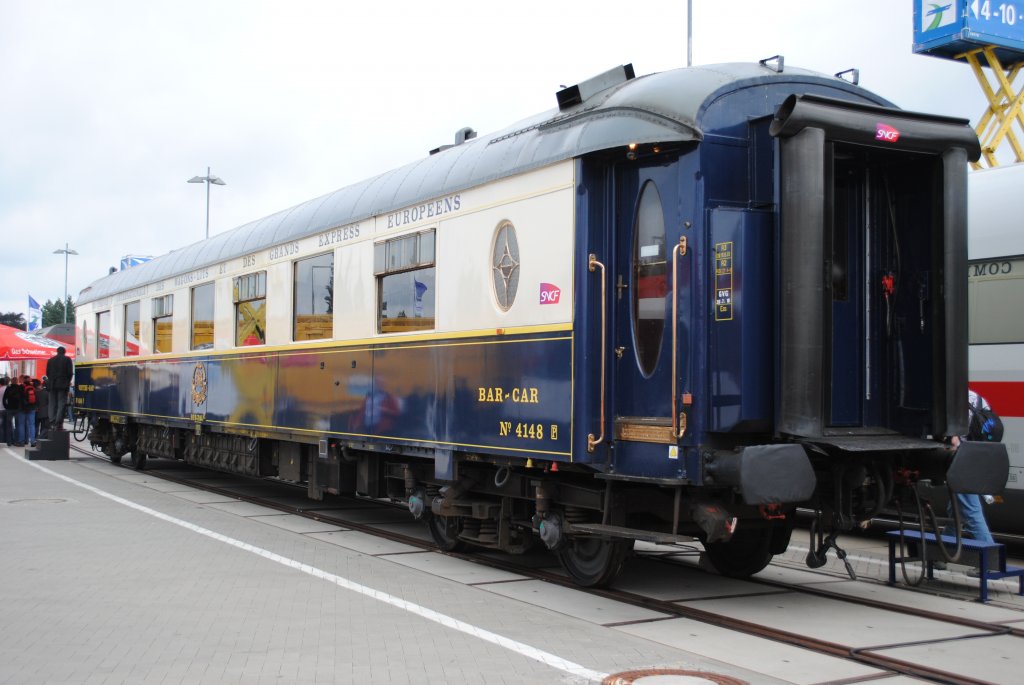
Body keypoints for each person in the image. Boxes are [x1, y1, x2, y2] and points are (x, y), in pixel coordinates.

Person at [937, 389, 996, 576]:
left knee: (970, 511)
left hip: (960, 460)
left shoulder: (951, 400)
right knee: (955, 510)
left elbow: (953, 441)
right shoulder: (978, 398)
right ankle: (940, 555)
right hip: (978, 455)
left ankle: (989, 562)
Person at [46, 346, 73, 431]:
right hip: (62, 385)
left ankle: (52, 422)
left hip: (52, 385)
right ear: (64, 352)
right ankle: (58, 423)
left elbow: (47, 373)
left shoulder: (50, 360)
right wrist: (67, 382)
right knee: (61, 404)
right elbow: (70, 373)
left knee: (52, 404)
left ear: (57, 352)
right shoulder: (67, 359)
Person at [3, 376, 25, 446]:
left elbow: (4, 399)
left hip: (9, 409)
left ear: (11, 381)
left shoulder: (8, 388)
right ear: (17, 381)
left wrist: (6, 406)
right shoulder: (20, 388)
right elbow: (22, 398)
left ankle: (9, 441)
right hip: (18, 409)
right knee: (18, 425)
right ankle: (17, 441)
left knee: (9, 426)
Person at [21, 375, 38, 447]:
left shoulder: (22, 387)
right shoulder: (33, 388)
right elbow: (36, 398)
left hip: (23, 408)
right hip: (32, 408)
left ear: (23, 380)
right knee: (32, 425)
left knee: (22, 425)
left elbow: (20, 398)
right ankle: (33, 441)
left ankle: (23, 441)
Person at [0, 377, 10, 445]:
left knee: (1, 426)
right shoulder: (8, 389)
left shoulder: (0, 389)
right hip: (8, 409)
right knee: (8, 425)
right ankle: (8, 440)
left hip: (0, 409)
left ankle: (2, 440)